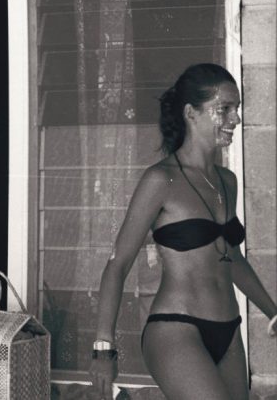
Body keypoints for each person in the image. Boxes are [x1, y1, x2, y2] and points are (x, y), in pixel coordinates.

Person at [89, 63, 277, 399]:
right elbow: (117, 264)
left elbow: (230, 257)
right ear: (192, 113)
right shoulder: (160, 180)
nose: (235, 119)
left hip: (229, 332)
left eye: (237, 109)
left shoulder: (226, 181)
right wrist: (103, 347)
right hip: (176, 328)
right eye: (224, 109)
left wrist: (272, 310)